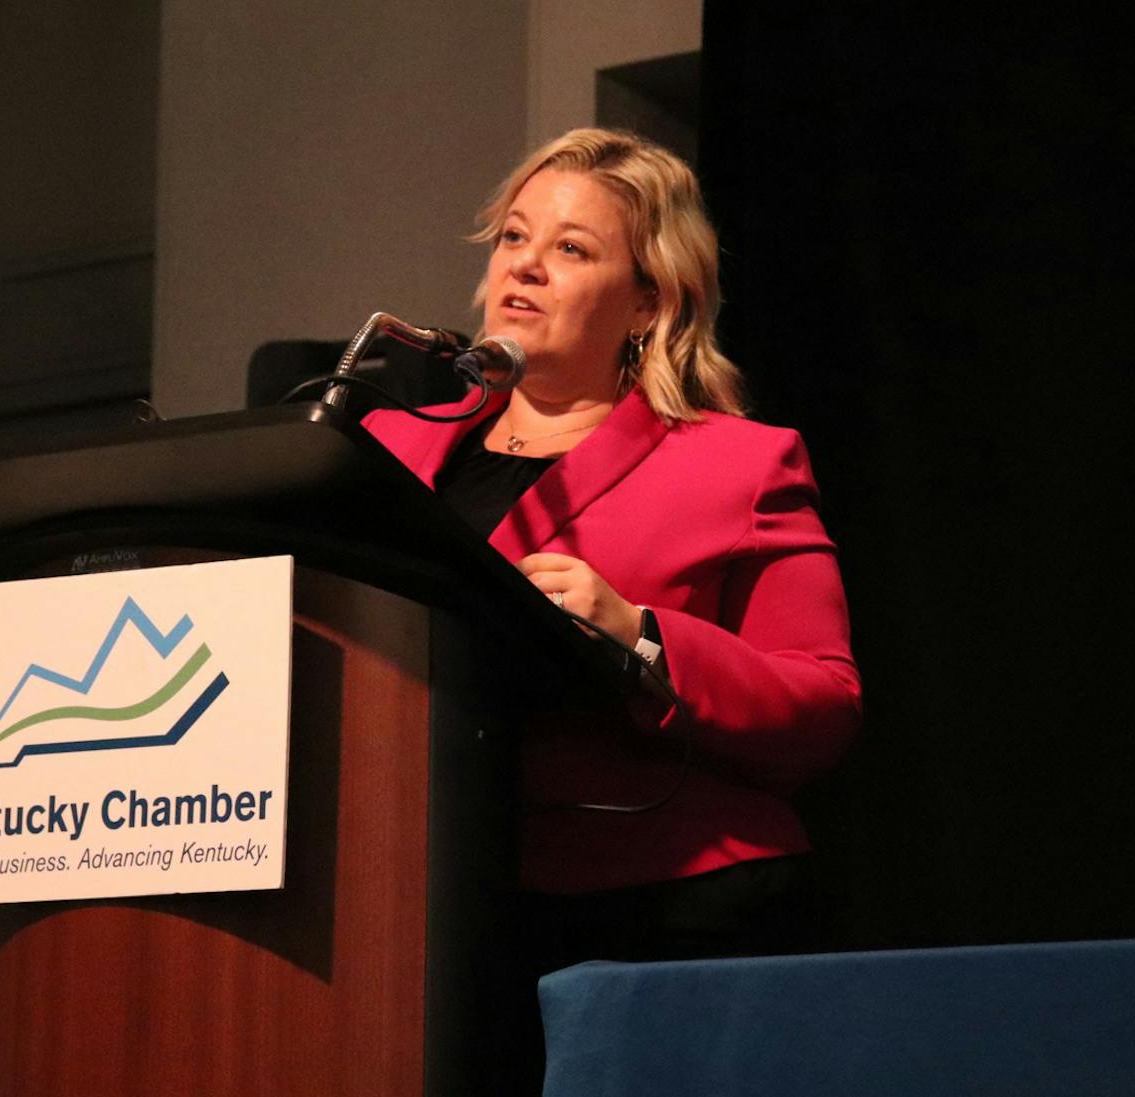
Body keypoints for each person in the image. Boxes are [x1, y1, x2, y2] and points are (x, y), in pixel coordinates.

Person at [360, 129, 861, 963]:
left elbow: (823, 705)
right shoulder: (381, 448)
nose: (523, 265)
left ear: (649, 302)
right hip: (412, 899)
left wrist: (641, 638)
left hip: (661, 909)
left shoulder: (739, 463)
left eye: (571, 248)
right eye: (514, 237)